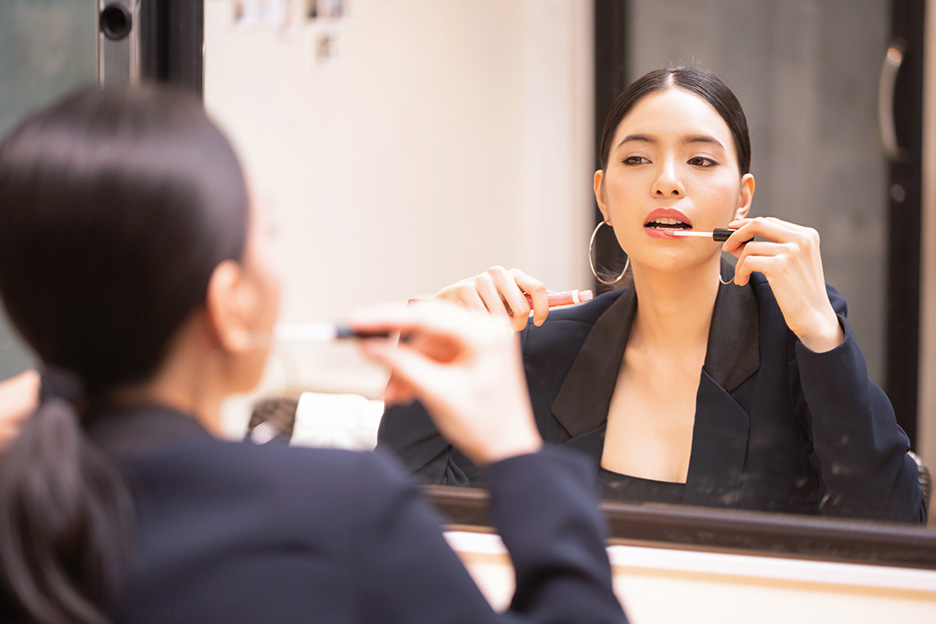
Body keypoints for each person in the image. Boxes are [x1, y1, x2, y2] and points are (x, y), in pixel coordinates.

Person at [0, 86, 627, 623]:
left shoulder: (22, 509)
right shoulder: (337, 509)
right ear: (230, 304)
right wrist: (516, 451)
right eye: (264, 232)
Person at [377, 66, 926, 524]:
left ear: (743, 199)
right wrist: (431, 347)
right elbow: (412, 526)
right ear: (604, 197)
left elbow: (892, 533)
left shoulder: (796, 346)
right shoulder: (541, 350)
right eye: (637, 159)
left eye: (701, 161)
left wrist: (824, 337)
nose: (666, 181)